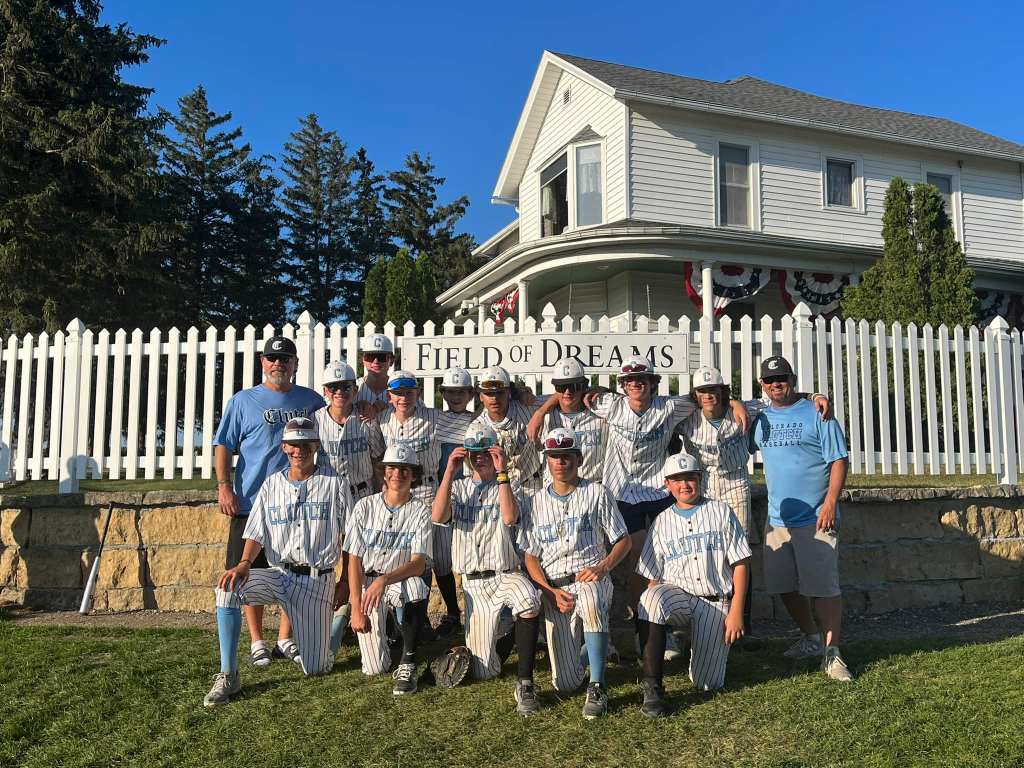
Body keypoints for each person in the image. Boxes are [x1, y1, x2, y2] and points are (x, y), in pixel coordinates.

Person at [584, 355, 748, 655]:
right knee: (639, 554)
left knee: (666, 557)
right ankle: (643, 626)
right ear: (622, 385)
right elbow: (567, 396)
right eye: (630, 380)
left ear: (653, 383)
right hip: (622, 492)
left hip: (659, 490)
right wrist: (541, 408)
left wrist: (734, 401)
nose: (636, 384)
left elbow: (704, 396)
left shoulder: (671, 407)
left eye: (643, 379)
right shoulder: (609, 404)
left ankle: (669, 625)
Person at [676, 365, 830, 644]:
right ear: (696, 394)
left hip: (736, 483)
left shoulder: (748, 408)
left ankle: (742, 627)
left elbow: (783, 395)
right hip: (705, 486)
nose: (709, 396)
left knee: (738, 556)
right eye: (703, 391)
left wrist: (816, 395)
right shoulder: (688, 418)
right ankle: (707, 622)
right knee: (708, 551)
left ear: (723, 391)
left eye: (714, 390)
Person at [203, 417, 351, 707]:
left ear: (316, 445)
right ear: (284, 446)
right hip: (278, 574)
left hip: (316, 580)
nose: (299, 451)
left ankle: (336, 623)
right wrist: (245, 562)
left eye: (305, 444)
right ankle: (228, 674)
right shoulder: (271, 485)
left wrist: (344, 580)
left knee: (317, 667)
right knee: (227, 589)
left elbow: (350, 538)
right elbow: (256, 531)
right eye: (293, 445)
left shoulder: (335, 484)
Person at [213, 335, 325, 669]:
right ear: (263, 362)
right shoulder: (243, 401)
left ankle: (285, 638)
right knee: (247, 572)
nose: (279, 364)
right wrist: (223, 487)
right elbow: (223, 445)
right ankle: (257, 640)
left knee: (295, 569)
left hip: (297, 502)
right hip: (249, 502)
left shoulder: (311, 400)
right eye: (272, 359)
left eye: (286, 359)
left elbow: (334, 422)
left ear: (295, 365)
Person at [748, 355, 852, 682]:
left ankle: (833, 653)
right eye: (769, 380)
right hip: (778, 519)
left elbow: (838, 460)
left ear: (792, 379)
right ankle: (811, 637)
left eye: (782, 378)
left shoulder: (819, 414)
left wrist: (830, 503)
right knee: (782, 585)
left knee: (823, 587)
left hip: (816, 515)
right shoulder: (760, 418)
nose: (776, 384)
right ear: (762, 385)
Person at [520, 427, 632, 719]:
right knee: (566, 683)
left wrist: (603, 567)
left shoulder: (596, 492)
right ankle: (593, 653)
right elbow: (530, 556)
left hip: (590, 575)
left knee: (593, 603)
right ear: (547, 460)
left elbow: (624, 540)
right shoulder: (534, 502)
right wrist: (547, 590)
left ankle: (598, 685)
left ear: (579, 459)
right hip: (556, 587)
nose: (561, 462)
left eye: (567, 456)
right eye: (555, 456)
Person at [635, 452, 751, 718]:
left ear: (700, 479)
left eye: (690, 478)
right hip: (679, 596)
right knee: (650, 598)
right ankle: (652, 687)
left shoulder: (720, 511)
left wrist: (736, 611)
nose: (684, 485)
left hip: (715, 601)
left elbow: (741, 564)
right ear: (667, 485)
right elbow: (652, 574)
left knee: (708, 684)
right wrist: (653, 613)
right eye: (677, 480)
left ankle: (697, 645)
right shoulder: (662, 521)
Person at [431, 423, 543, 699]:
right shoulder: (457, 487)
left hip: (505, 573)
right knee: (485, 671)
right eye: (473, 452)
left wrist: (501, 469)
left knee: (529, 598)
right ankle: (509, 635)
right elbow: (438, 515)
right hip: (473, 585)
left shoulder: (509, 483)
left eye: (483, 451)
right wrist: (449, 470)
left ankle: (525, 681)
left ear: (494, 452)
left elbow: (509, 517)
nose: (477, 457)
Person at [377, 370, 470, 634]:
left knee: (438, 557)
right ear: (389, 396)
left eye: (409, 392)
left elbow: (470, 420)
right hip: (397, 494)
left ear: (418, 393)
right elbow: (376, 457)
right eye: (398, 392)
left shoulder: (434, 417)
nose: (403, 397)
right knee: (407, 556)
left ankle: (452, 613)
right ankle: (416, 619)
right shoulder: (382, 420)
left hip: (428, 489)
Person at [346, 444, 434, 695]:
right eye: (392, 468)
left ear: (414, 475)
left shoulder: (420, 511)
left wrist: (384, 579)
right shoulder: (364, 506)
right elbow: (354, 560)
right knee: (375, 668)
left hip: (397, 581)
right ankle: (395, 631)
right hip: (368, 584)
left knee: (417, 588)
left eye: (405, 469)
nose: (398, 474)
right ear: (384, 472)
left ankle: (408, 660)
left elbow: (418, 564)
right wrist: (355, 608)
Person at [313, 360, 386, 653]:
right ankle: (327, 619)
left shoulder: (366, 417)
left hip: (362, 493)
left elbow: (379, 455)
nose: (339, 392)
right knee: (329, 560)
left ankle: (354, 618)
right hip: (330, 497)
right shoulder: (316, 420)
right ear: (325, 391)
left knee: (359, 560)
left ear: (355, 389)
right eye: (333, 387)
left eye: (345, 386)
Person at [432, 366, 479, 637]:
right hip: (443, 492)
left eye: (461, 391)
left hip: (472, 494)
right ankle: (452, 611)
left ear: (471, 393)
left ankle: (475, 610)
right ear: (443, 393)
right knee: (440, 558)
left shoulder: (478, 418)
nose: (456, 396)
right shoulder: (435, 418)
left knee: (471, 554)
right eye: (450, 391)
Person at [526, 357, 607, 482]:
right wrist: (539, 411)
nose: (567, 392)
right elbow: (513, 396)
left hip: (592, 489)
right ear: (555, 388)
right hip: (553, 491)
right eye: (561, 387)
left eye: (573, 386)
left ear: (583, 386)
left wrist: (604, 389)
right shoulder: (541, 408)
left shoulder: (601, 410)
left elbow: (630, 399)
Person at [473, 365, 544, 492]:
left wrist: (540, 413)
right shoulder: (477, 427)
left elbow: (560, 397)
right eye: (489, 393)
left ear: (509, 392)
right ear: (481, 396)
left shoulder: (526, 406)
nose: (494, 398)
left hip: (532, 485)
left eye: (499, 392)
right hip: (498, 488)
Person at [355, 333, 395, 405]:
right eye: (370, 356)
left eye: (381, 357)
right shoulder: (352, 389)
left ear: (391, 361)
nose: (375, 361)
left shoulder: (402, 389)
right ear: (363, 360)